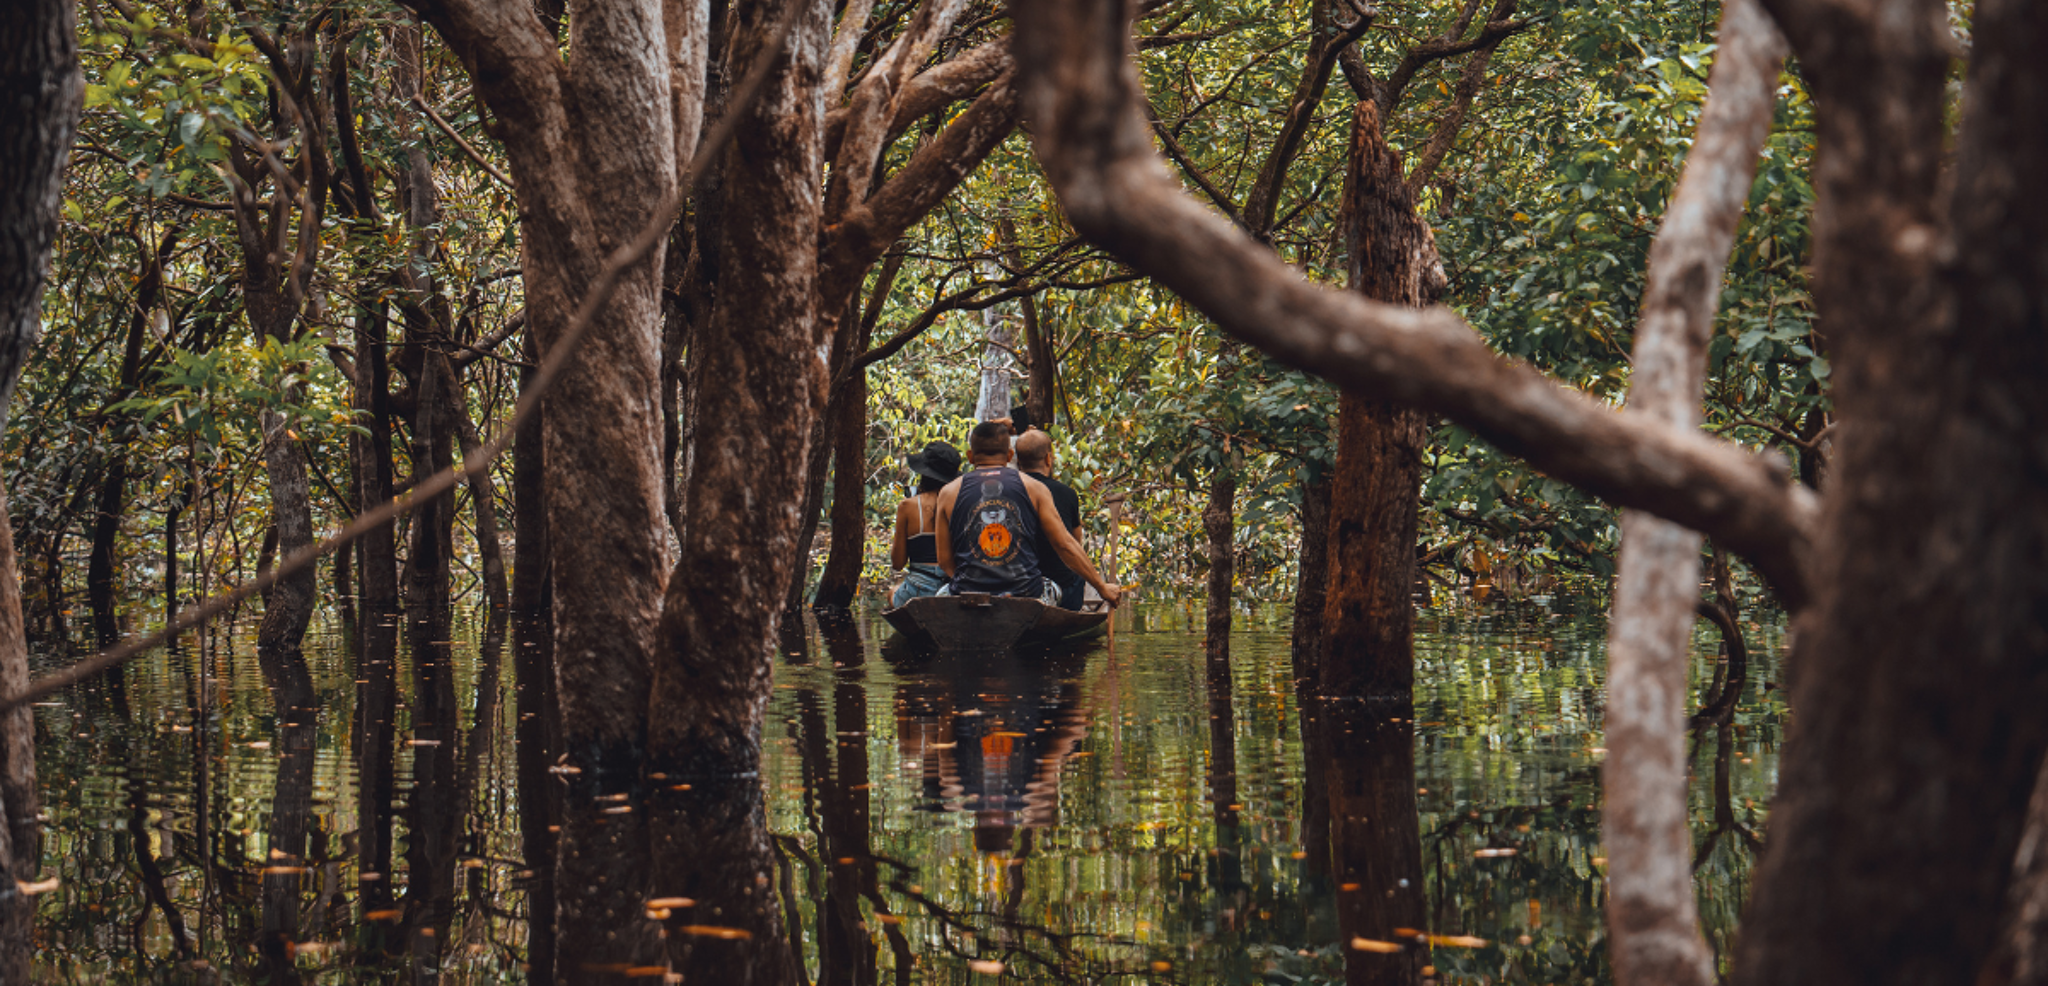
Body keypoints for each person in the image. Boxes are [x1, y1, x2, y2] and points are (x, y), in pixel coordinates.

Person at [935, 421, 1122, 609]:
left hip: (969, 593)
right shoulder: (1034, 488)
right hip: (1026, 594)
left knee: (941, 593)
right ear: (1010, 455)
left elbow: (944, 561)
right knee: (1053, 587)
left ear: (969, 456)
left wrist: (976, 583)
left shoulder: (948, 492)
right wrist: (1102, 587)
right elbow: (1064, 544)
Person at [1014, 428, 1088, 611]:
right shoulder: (1066, 493)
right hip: (1060, 587)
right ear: (1048, 459)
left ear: (1017, 461)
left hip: (1016, 582)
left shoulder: (1008, 491)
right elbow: (1075, 544)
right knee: (1078, 575)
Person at [889, 440, 961, 608]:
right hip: (954, 587)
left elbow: (897, 563)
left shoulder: (907, 506)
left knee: (892, 591)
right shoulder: (960, 503)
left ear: (924, 473)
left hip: (919, 588)